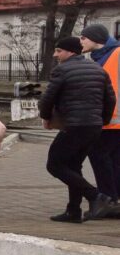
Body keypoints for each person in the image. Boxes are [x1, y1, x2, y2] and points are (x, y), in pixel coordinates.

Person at [39, 36, 116, 222]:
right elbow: (111, 99)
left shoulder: (62, 71)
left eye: (59, 51)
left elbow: (47, 99)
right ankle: (73, 211)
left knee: (55, 164)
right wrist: (102, 120)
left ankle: (97, 196)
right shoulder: (99, 69)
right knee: (73, 166)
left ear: (71, 52)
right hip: (94, 127)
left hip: (73, 126)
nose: (56, 55)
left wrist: (46, 118)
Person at [80, 23, 120, 217]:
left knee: (100, 156)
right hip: (109, 119)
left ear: (95, 39)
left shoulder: (116, 54)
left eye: (83, 37)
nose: (81, 41)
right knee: (112, 160)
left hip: (112, 119)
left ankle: (107, 199)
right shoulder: (102, 57)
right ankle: (113, 200)